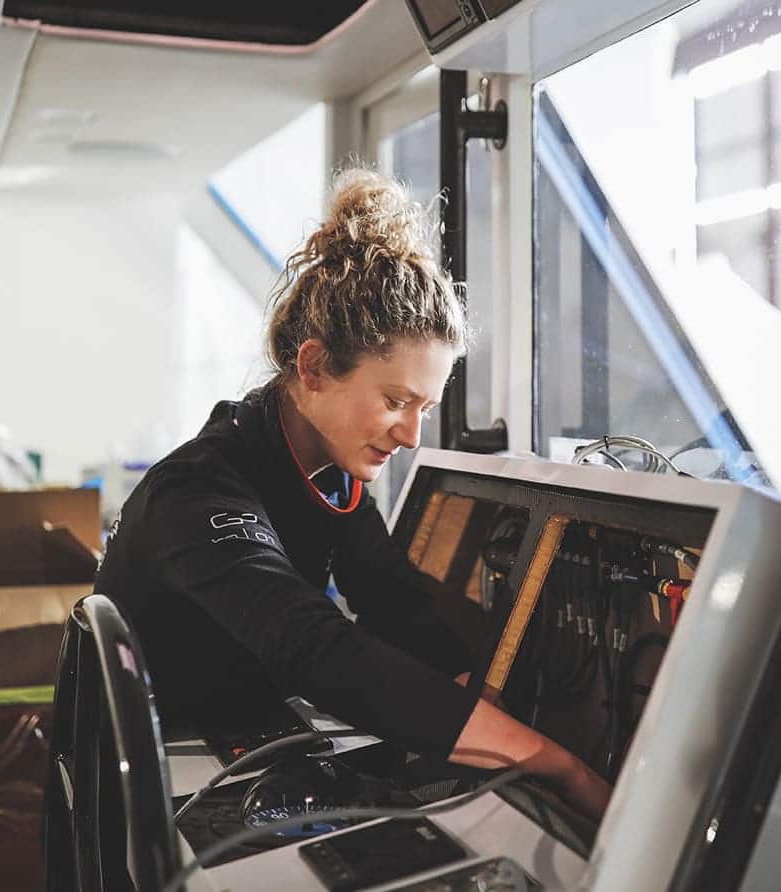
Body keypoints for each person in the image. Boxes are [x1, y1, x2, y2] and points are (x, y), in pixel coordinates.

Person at [95, 168, 610, 820]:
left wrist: (476, 703)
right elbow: (314, 648)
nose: (412, 432)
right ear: (312, 368)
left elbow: (392, 600)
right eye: (395, 401)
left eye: (425, 407)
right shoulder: (197, 492)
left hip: (232, 735)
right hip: (151, 784)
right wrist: (554, 763)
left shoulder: (328, 473)